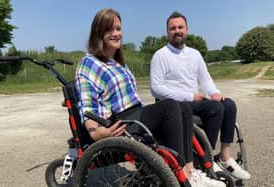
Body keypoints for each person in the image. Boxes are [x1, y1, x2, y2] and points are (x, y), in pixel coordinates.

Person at [74, 8, 225, 187]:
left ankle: (190, 171)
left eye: (118, 28)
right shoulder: (89, 64)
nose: (116, 33)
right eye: (110, 29)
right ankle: (182, 176)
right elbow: (87, 107)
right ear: (98, 33)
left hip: (134, 114)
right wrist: (99, 133)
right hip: (116, 123)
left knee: (182, 106)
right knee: (169, 106)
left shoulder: (118, 63)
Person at [150, 11, 250, 180]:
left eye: (180, 27)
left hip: (194, 101)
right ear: (167, 32)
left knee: (229, 104)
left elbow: (206, 79)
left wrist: (215, 92)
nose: (177, 31)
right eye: (172, 28)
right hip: (175, 105)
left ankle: (224, 157)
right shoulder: (161, 56)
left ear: (187, 29)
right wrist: (188, 96)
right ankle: (205, 158)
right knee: (215, 108)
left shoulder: (194, 54)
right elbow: (156, 88)